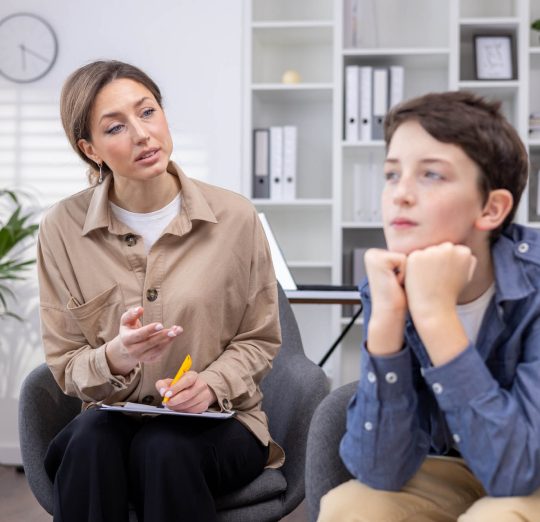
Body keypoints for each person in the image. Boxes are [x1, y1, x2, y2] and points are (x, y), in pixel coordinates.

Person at [37, 60, 283, 522]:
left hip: (222, 424)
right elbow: (65, 363)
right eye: (116, 127)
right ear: (90, 149)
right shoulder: (61, 229)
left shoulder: (235, 217)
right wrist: (115, 356)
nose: (142, 134)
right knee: (91, 441)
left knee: (163, 446)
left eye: (147, 112)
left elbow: (260, 339)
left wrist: (211, 385)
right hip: (111, 421)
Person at [318, 91, 540, 521]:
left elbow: (517, 473)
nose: (400, 194)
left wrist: (436, 316)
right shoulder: (389, 282)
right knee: (351, 507)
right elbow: (379, 470)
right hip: (455, 468)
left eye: (432, 175)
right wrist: (385, 322)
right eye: (391, 174)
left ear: (492, 208)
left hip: (531, 468)